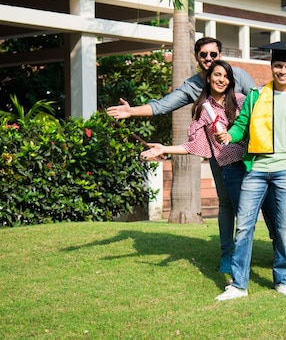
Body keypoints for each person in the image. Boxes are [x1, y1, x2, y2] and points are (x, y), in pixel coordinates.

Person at [107, 37, 255, 274]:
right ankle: (228, 255)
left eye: (213, 54)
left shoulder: (238, 77)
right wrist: (131, 111)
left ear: (220, 54)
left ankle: (281, 255)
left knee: (257, 207)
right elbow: (163, 106)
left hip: (249, 154)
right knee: (226, 204)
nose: (209, 59)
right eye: (203, 55)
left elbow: (259, 105)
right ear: (197, 57)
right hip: (220, 157)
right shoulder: (194, 86)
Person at [213, 42, 286, 301]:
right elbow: (241, 126)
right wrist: (228, 136)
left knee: (285, 229)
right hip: (255, 171)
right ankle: (239, 285)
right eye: (278, 66)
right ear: (272, 67)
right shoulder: (256, 96)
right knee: (244, 227)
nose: (283, 71)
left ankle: (281, 278)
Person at [140, 60, 247, 274]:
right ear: (208, 78)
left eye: (225, 76)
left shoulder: (240, 101)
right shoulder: (203, 108)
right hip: (221, 164)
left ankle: (275, 255)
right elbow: (195, 145)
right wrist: (164, 149)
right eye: (217, 75)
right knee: (226, 207)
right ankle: (228, 255)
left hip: (245, 163)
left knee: (247, 211)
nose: (221, 80)